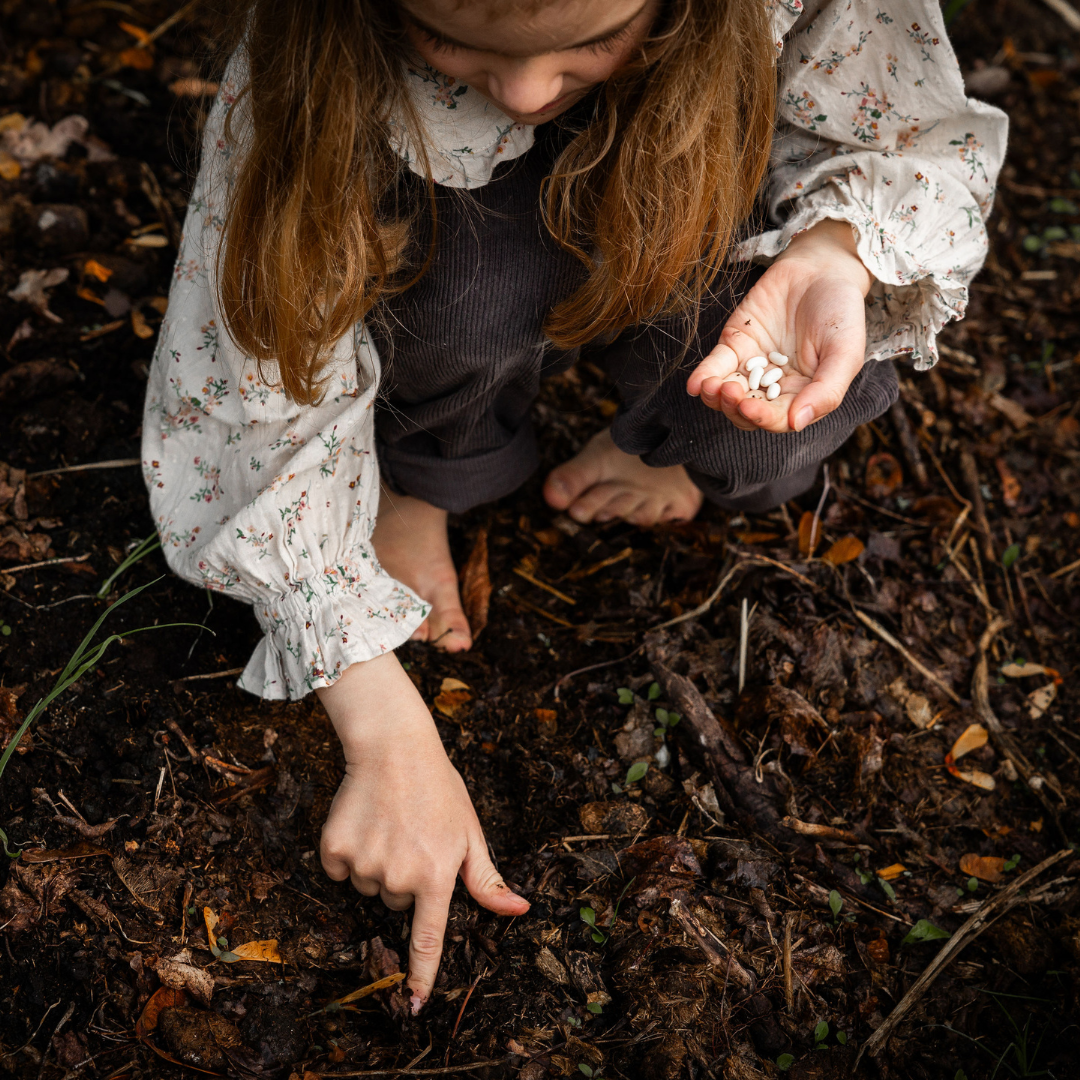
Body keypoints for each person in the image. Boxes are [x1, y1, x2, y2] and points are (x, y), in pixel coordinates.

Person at [142, 0, 1005, 1012]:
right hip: (455, 228)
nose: (523, 91)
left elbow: (907, 136)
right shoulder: (313, 56)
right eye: (455, 42)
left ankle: (666, 440)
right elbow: (254, 367)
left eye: (589, 41)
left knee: (766, 431)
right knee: (460, 296)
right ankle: (426, 473)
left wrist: (833, 253)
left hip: (698, 195)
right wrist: (382, 729)